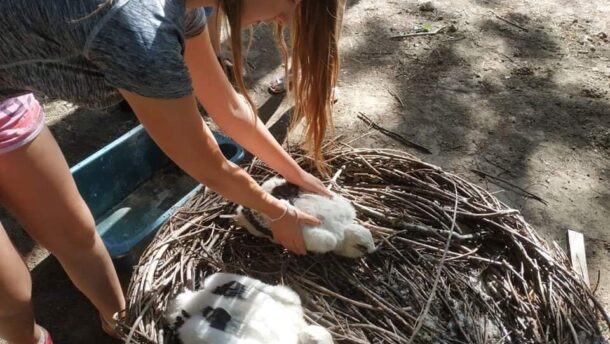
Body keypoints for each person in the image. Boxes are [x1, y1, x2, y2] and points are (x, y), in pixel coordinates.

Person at [0, 0, 342, 343]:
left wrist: (295, 173)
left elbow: (229, 107)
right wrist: (277, 212)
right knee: (11, 294)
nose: (283, 19)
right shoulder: (140, 34)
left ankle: (119, 323)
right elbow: (205, 162)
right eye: (292, 4)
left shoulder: (185, 8)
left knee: (76, 233)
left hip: (8, 104)